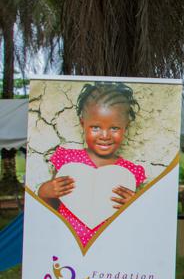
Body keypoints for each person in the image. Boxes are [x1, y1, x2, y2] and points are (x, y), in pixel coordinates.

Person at [38, 82, 146, 246]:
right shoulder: (67, 160)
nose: (105, 135)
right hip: (67, 245)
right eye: (95, 128)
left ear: (126, 127)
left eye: (114, 128)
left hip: (110, 247)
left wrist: (135, 206)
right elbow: (50, 209)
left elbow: (134, 222)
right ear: (83, 124)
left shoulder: (129, 172)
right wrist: (45, 192)